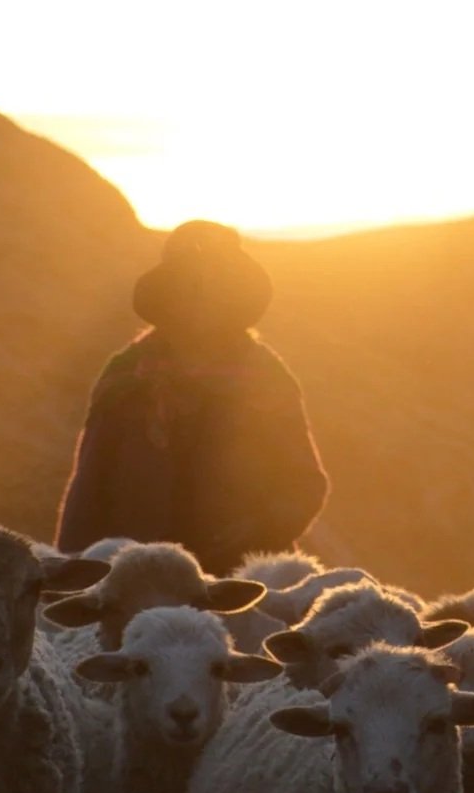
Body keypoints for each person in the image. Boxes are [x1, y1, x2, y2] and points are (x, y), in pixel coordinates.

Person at [54, 220, 327, 573]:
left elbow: (304, 484)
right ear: (168, 295)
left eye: (215, 285)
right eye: (189, 285)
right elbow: (89, 484)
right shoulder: (128, 374)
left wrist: (253, 534)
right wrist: (75, 570)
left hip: (240, 577)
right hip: (136, 575)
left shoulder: (264, 377)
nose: (201, 297)